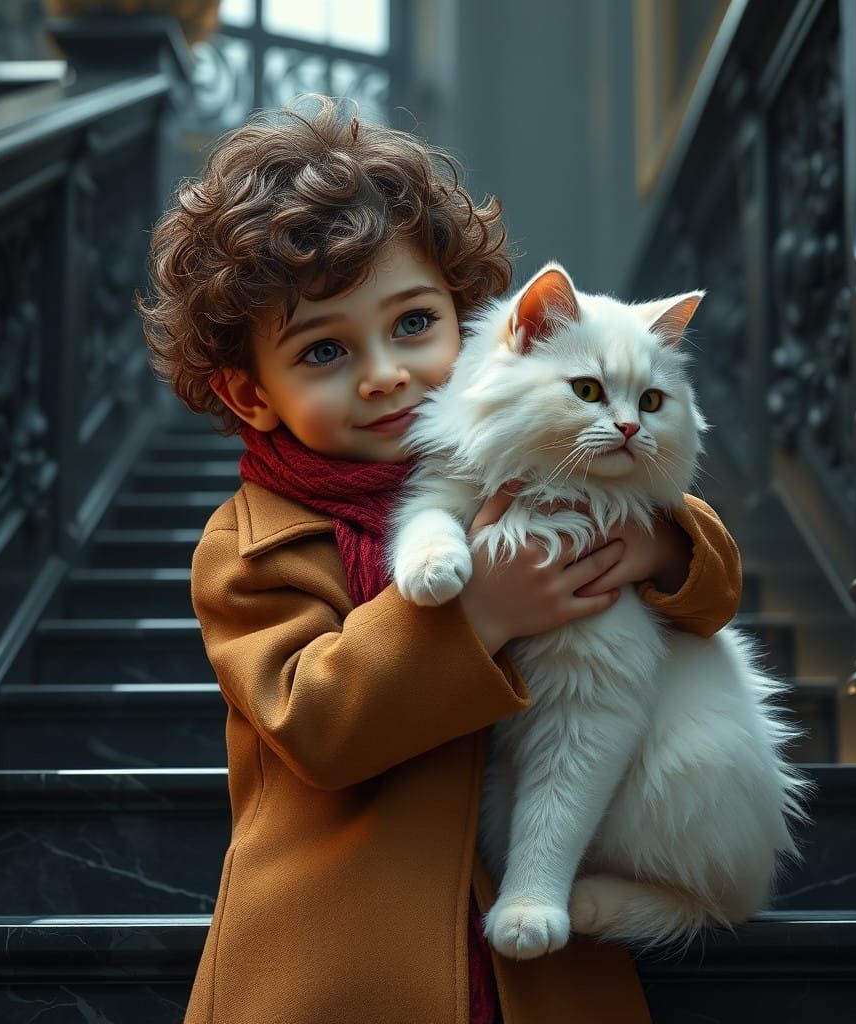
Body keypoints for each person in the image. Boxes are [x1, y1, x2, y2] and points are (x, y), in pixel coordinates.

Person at [138, 96, 741, 1024]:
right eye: (327, 348)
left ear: (468, 326)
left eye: (413, 324)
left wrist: (661, 544)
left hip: (524, 946)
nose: (383, 372)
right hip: (338, 952)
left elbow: (711, 596)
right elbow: (317, 723)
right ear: (249, 394)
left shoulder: (519, 452)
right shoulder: (252, 543)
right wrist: (482, 614)